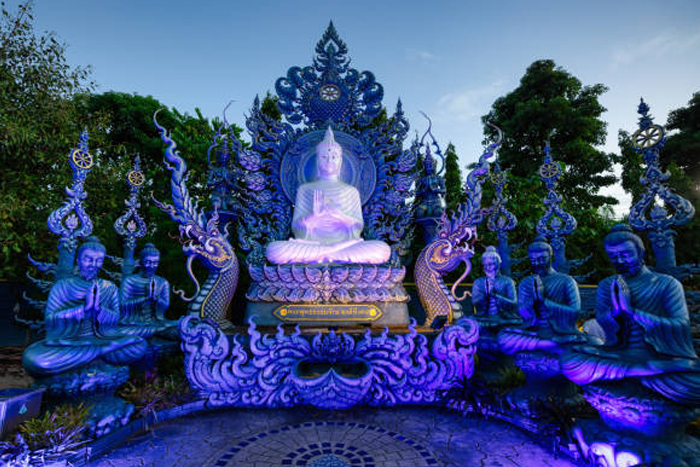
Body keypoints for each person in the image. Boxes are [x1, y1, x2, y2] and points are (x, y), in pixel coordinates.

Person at [561, 224, 700, 405]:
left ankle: (638, 371)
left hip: (657, 355)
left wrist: (633, 312)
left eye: (625, 254)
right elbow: (603, 320)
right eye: (613, 256)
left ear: (640, 252)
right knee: (569, 361)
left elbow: (680, 324)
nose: (619, 260)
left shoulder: (667, 283)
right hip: (620, 354)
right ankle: (644, 372)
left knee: (694, 384)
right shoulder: (607, 285)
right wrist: (616, 313)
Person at [23, 237, 147, 377]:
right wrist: (83, 310)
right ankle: (98, 355)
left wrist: (99, 310)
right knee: (35, 360)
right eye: (88, 259)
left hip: (101, 338)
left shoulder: (109, 287)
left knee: (138, 344)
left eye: (98, 260)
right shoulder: (63, 286)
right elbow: (50, 320)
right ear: (78, 260)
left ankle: (94, 354)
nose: (93, 264)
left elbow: (116, 319)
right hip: (69, 342)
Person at [266, 126, 391, 264]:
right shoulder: (305, 189)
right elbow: (296, 228)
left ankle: (325, 256)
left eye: (334, 156)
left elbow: (357, 227)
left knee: (382, 250)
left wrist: (340, 216)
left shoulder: (351, 191)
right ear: (317, 160)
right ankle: (334, 256)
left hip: (346, 245)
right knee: (274, 250)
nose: (329, 160)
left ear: (341, 161)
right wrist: (313, 217)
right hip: (311, 246)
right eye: (324, 156)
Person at [497, 237, 586, 355]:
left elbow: (575, 311)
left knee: (590, 341)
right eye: (533, 260)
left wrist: (544, 301)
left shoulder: (566, 281)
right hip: (535, 331)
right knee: (503, 336)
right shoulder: (526, 282)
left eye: (542, 259)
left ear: (551, 256)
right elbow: (522, 312)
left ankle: (551, 344)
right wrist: (533, 302)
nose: (537, 263)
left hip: (560, 331)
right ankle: (551, 345)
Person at [119, 243, 179, 340]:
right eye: (148, 262)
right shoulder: (129, 281)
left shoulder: (162, 282)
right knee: (120, 331)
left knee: (179, 330)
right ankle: (152, 332)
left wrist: (156, 300)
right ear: (140, 262)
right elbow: (122, 305)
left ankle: (153, 331)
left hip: (157, 322)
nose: (151, 266)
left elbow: (165, 305)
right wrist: (143, 300)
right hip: (133, 323)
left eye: (155, 262)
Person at [471, 246, 518, 325]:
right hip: (484, 318)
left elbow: (513, 303)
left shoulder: (507, 281)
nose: (488, 268)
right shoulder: (479, 282)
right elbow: (475, 302)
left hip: (504, 319)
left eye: (491, 264)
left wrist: (497, 296)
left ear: (498, 265)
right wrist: (486, 294)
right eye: (485, 265)